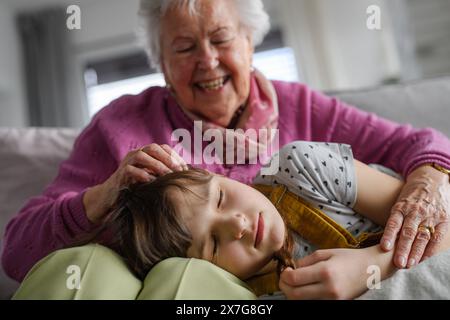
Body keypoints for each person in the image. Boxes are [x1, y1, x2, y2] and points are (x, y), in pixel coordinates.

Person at [2, 0, 450, 287]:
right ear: (160, 63)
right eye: (183, 48)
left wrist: (426, 189)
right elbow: (17, 253)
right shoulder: (119, 126)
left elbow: (420, 144)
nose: (207, 60)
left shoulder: (300, 113)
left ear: (250, 43)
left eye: (220, 38)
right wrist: (101, 195)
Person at [89, 141, 450, 299]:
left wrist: (372, 266)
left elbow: (443, 224)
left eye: (220, 197)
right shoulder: (252, 293)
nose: (238, 225)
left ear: (226, 176)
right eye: (214, 243)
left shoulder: (299, 167)